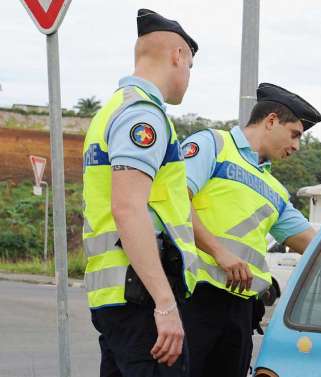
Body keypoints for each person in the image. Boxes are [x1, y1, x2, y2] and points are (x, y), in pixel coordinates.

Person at [82, 9, 200, 377]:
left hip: (118, 297)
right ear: (177, 55)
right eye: (191, 66)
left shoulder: (112, 111)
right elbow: (128, 208)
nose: (188, 76)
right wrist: (165, 304)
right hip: (141, 301)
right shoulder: (143, 115)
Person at [179, 83, 321, 377]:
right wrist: (220, 253)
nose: (296, 146)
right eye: (295, 134)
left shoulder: (276, 190)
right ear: (271, 121)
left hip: (240, 309)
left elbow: (315, 243)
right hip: (194, 297)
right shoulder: (213, 145)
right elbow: (175, 202)